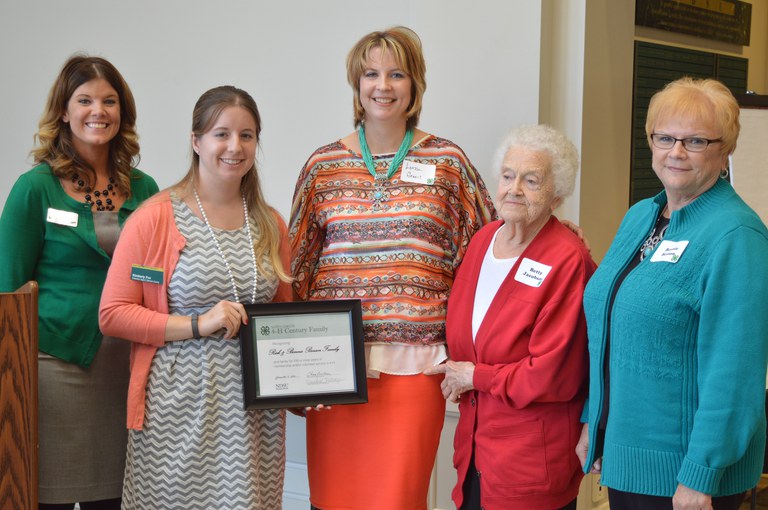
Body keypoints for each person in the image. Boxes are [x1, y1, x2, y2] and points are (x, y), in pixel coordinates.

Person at [289, 26, 495, 510]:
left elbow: (487, 249)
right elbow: (295, 267)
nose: (383, 85)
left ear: (415, 85)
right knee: (334, 497)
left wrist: (554, 234)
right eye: (371, 74)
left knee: (398, 498)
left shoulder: (448, 161)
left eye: (397, 74)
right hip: (335, 365)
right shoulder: (323, 165)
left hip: (415, 367)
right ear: (356, 86)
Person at [575, 77, 768, 510]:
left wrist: (701, 475)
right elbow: (608, 327)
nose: (675, 152)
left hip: (686, 477)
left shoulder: (737, 236)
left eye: (695, 141)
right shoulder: (642, 215)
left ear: (725, 151)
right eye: (665, 137)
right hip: (627, 457)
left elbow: (734, 375)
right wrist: (595, 423)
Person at [99, 85, 292, 509]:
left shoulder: (270, 224)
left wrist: (309, 380)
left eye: (246, 135)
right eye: (221, 133)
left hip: (253, 418)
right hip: (177, 410)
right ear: (196, 141)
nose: (234, 146)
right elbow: (113, 314)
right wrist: (198, 323)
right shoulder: (156, 218)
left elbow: (286, 319)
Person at [0, 54, 158, 510]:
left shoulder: (144, 188)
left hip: (124, 367)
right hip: (54, 364)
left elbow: (153, 273)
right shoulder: (35, 188)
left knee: (113, 498)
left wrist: (142, 284)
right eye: (85, 100)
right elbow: (10, 289)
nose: (98, 111)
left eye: (110, 101)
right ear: (64, 112)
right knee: (47, 495)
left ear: (122, 114)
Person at [425, 125, 596, 510]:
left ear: (557, 193)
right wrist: (453, 370)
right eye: (507, 175)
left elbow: (552, 373)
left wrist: (473, 376)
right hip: (474, 453)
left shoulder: (567, 259)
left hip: (529, 465)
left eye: (531, 179)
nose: (514, 188)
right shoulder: (483, 240)